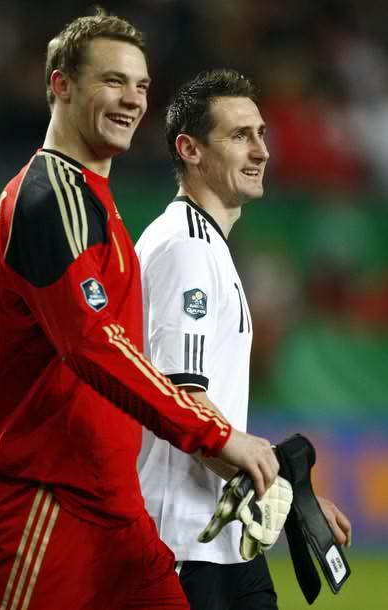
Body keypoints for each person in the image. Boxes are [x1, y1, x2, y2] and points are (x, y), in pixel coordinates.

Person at [0, 12, 280, 610]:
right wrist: (216, 434)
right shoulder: (47, 197)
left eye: (141, 85)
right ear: (60, 85)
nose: (133, 99)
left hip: (116, 508)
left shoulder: (98, 207)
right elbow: (93, 343)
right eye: (113, 81)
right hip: (48, 499)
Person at [136, 69, 352, 610]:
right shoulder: (185, 248)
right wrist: (288, 497)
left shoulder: (207, 246)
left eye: (261, 133)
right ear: (190, 149)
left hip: (224, 541)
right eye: (239, 135)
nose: (261, 150)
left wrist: (292, 499)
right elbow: (182, 401)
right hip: (182, 544)